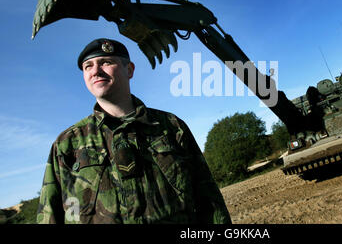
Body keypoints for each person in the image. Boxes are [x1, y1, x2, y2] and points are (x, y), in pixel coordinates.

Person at [37, 38, 232, 224]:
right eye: (88, 66)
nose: (95, 71)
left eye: (105, 62)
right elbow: (50, 214)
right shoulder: (67, 144)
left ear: (129, 70)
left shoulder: (170, 126)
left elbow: (209, 198)